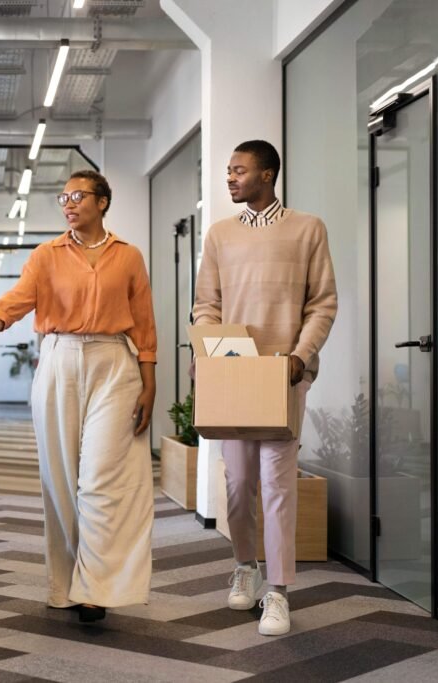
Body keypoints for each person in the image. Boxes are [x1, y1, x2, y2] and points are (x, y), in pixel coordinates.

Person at [0, 170, 157, 623]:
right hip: (59, 359)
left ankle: (97, 588)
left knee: (100, 481)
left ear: (102, 202)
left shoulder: (128, 257)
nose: (69, 202)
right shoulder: (46, 255)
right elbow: (13, 303)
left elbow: (144, 325)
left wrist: (150, 381)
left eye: (79, 195)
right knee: (62, 481)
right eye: (64, 196)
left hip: (114, 365)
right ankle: (66, 584)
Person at [192, 140, 337, 636]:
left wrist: (301, 355)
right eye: (228, 171)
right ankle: (246, 567)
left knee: (277, 486)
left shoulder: (307, 229)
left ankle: (278, 590)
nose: (230, 179)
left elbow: (323, 302)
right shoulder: (219, 235)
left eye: (239, 170)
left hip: (284, 377)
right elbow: (205, 305)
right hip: (233, 379)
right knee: (237, 487)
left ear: (268, 174)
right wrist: (207, 354)